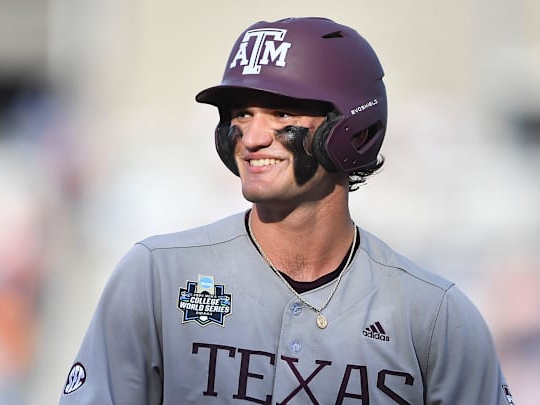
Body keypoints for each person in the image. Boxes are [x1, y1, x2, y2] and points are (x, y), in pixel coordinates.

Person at [58, 17, 513, 404]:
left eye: (280, 113)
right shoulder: (158, 275)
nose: (252, 137)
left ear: (352, 125)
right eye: (241, 114)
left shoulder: (434, 315)